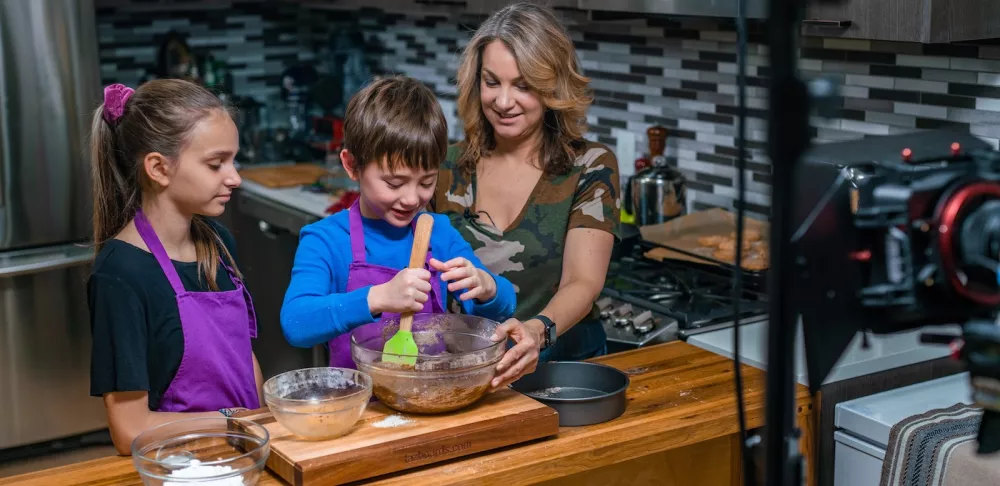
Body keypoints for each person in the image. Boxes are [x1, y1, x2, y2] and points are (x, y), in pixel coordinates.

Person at [430, 2, 621, 390]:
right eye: (491, 81)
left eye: (523, 85)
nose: (502, 102)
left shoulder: (589, 166)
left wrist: (538, 331)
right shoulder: (447, 165)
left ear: (552, 86)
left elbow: (583, 282)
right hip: (468, 377)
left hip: (564, 372)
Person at [280, 76, 517, 368]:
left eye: (427, 182)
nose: (411, 199)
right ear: (352, 165)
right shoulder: (326, 240)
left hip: (431, 396)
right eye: (394, 183)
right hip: (359, 405)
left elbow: (504, 307)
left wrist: (486, 287)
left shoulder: (439, 233)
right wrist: (378, 298)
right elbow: (296, 323)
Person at [87, 80, 262, 454]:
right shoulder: (121, 275)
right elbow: (130, 430)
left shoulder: (217, 243)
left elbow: (243, 357)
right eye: (216, 164)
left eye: (233, 161)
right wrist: (238, 421)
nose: (235, 178)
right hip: (179, 463)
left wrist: (264, 418)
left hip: (242, 452)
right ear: (158, 168)